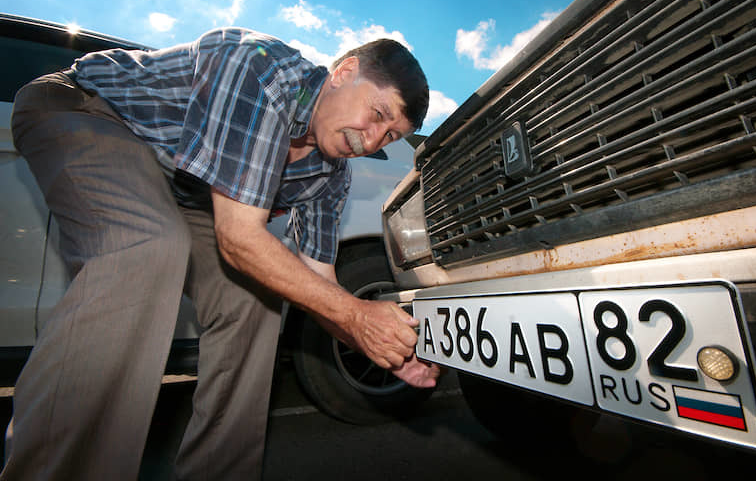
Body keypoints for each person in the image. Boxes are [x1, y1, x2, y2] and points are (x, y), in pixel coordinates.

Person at [2, 27, 440, 481]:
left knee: (258, 297)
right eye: (377, 114)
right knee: (147, 245)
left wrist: (379, 346)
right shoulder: (261, 67)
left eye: (389, 136)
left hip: (181, 192)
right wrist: (356, 318)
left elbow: (321, 285)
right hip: (91, 112)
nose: (370, 141)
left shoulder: (332, 177)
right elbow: (237, 237)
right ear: (345, 72)